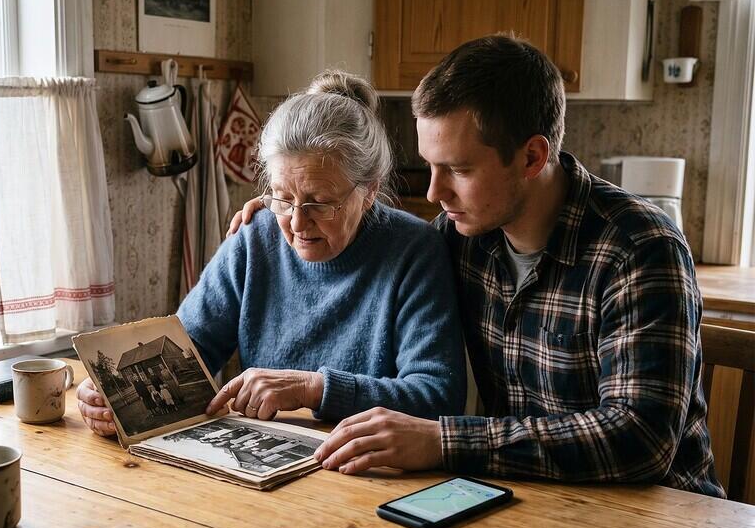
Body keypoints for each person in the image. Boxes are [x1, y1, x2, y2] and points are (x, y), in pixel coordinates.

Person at [229, 36, 724, 498]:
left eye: (459, 170)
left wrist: (442, 441)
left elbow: (639, 441)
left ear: (532, 157)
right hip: (529, 500)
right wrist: (282, 209)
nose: (434, 192)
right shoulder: (461, 237)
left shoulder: (639, 249)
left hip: (659, 519)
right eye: (430, 165)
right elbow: (370, 227)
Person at [78, 70, 467, 436]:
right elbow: (186, 353)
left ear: (367, 192)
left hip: (370, 474)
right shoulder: (256, 236)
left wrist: (313, 388)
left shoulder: (415, 250)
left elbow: (437, 397)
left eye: (319, 203)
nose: (297, 224)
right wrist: (109, 396)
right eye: (283, 198)